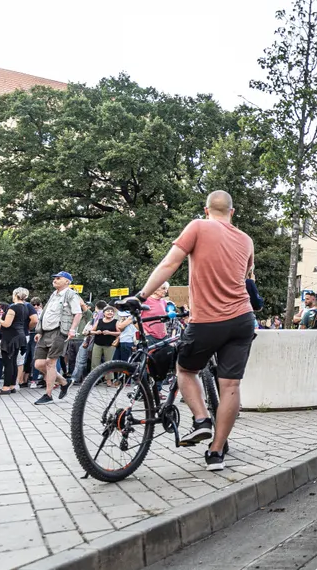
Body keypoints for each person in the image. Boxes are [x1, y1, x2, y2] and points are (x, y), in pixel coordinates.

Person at [128, 190, 256, 472]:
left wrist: (141, 296)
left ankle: (201, 421)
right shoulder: (246, 239)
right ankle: (216, 452)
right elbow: (248, 278)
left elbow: (170, 263)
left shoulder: (198, 226)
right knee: (231, 386)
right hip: (242, 320)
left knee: (185, 371)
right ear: (232, 212)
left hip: (207, 320)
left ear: (206, 209)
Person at [33, 272, 82, 404]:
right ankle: (64, 382)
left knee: (51, 363)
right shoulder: (53, 294)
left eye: (58, 278)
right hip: (45, 333)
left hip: (59, 332)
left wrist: (72, 329)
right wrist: (39, 331)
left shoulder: (71, 294)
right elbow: (46, 313)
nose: (55, 280)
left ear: (67, 281)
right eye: (54, 278)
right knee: (38, 364)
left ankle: (48, 395)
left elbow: (78, 313)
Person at [0, 289, 37, 395]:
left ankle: (5, 388)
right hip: (19, 336)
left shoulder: (13, 307)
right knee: (13, 361)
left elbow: (6, 324)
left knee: (8, 362)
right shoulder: (25, 307)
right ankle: (12, 386)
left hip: (10, 337)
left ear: (15, 294)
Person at [88, 306, 121, 382]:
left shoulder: (116, 321)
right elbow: (92, 331)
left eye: (111, 311)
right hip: (97, 344)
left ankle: (109, 380)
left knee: (108, 363)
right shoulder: (99, 321)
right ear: (104, 313)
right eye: (108, 311)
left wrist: (110, 333)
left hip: (110, 345)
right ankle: (93, 380)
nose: (110, 313)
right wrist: (97, 332)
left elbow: (119, 333)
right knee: (95, 362)